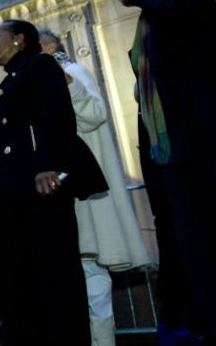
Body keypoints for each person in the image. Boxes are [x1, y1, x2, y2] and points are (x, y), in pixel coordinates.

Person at [105, 0, 216, 343]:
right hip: (167, 164)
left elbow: (179, 12)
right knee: (189, 255)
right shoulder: (143, 28)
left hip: (202, 151)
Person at [0, 20, 91, 345]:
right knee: (15, 291)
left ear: (19, 40)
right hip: (6, 204)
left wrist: (48, 164)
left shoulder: (40, 65)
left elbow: (57, 114)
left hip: (40, 194)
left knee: (55, 285)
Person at [39, 29, 151, 346]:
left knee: (91, 275)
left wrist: (66, 83)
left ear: (49, 46)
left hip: (81, 195)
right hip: (56, 196)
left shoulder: (73, 72)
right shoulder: (37, 85)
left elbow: (95, 113)